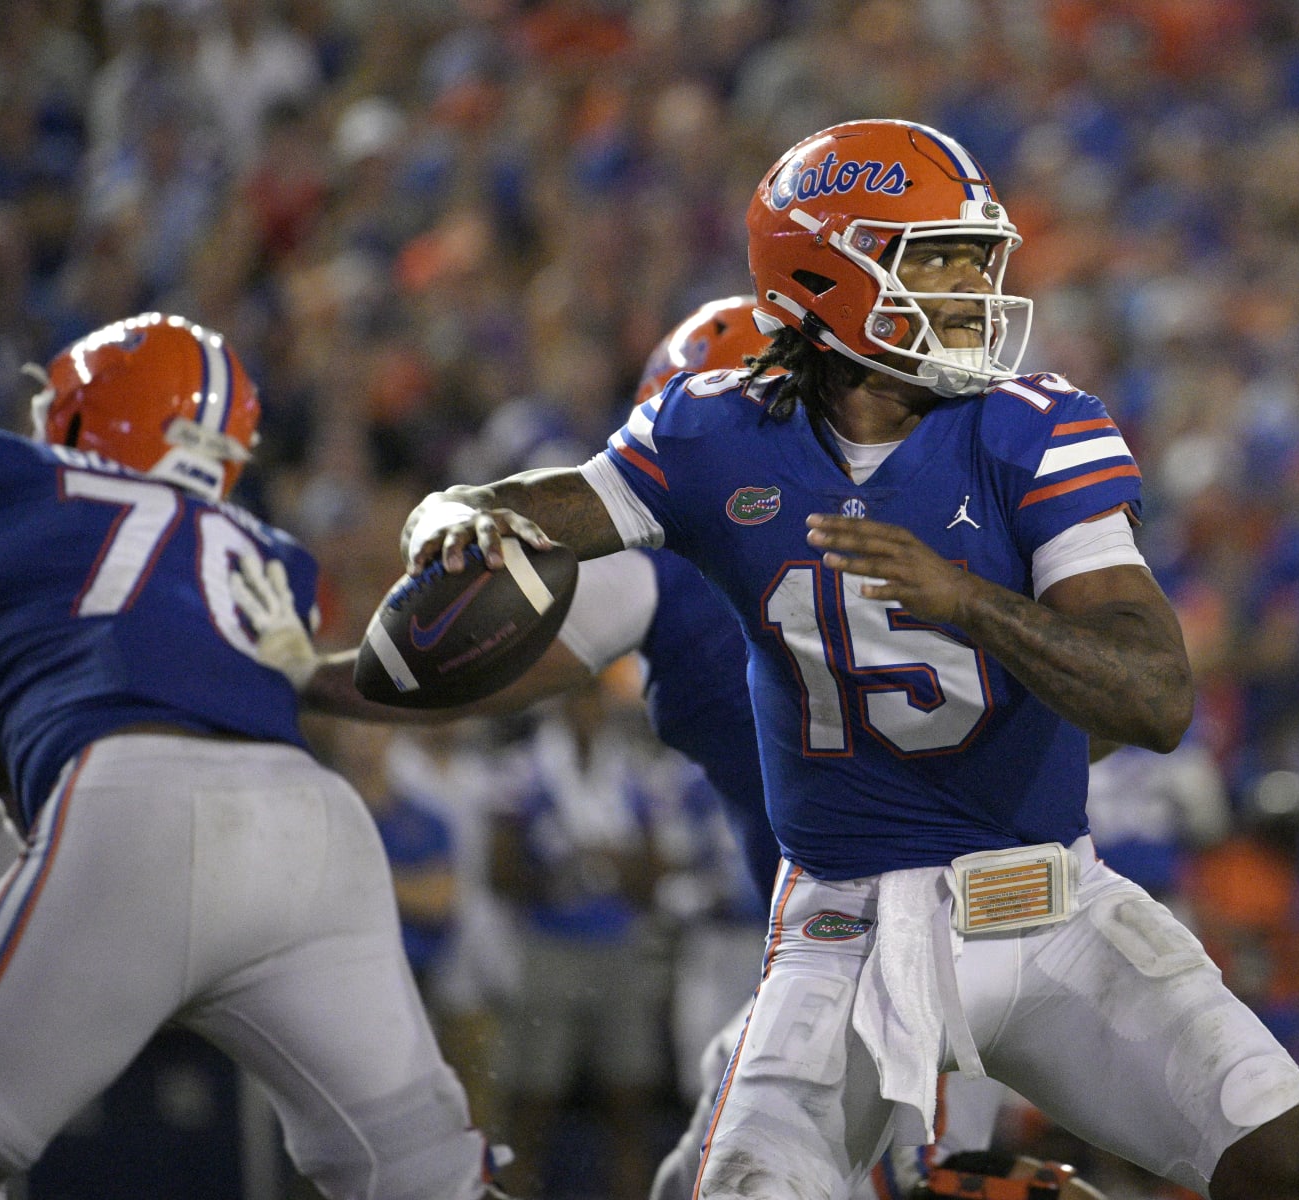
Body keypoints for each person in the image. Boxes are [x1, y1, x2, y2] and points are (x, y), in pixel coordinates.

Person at [402, 120, 1299, 1200]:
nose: (969, 287)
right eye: (934, 257)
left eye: (974, 256)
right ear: (827, 270)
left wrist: (973, 604)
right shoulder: (711, 433)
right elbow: (566, 506)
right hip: (841, 930)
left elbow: (1155, 695)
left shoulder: (1037, 431)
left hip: (1049, 908)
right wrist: (465, 505)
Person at [242, 293, 1012, 1200]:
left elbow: (458, 682)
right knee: (704, 1175)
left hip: (882, 958)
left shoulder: (661, 569)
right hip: (960, 923)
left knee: (894, 1182)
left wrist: (310, 673)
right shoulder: (939, 521)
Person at [0, 313, 501, 1198]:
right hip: (315, 831)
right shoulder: (268, 552)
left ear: (88, 413)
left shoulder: (11, 477)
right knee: (424, 1175)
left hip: (140, 811)